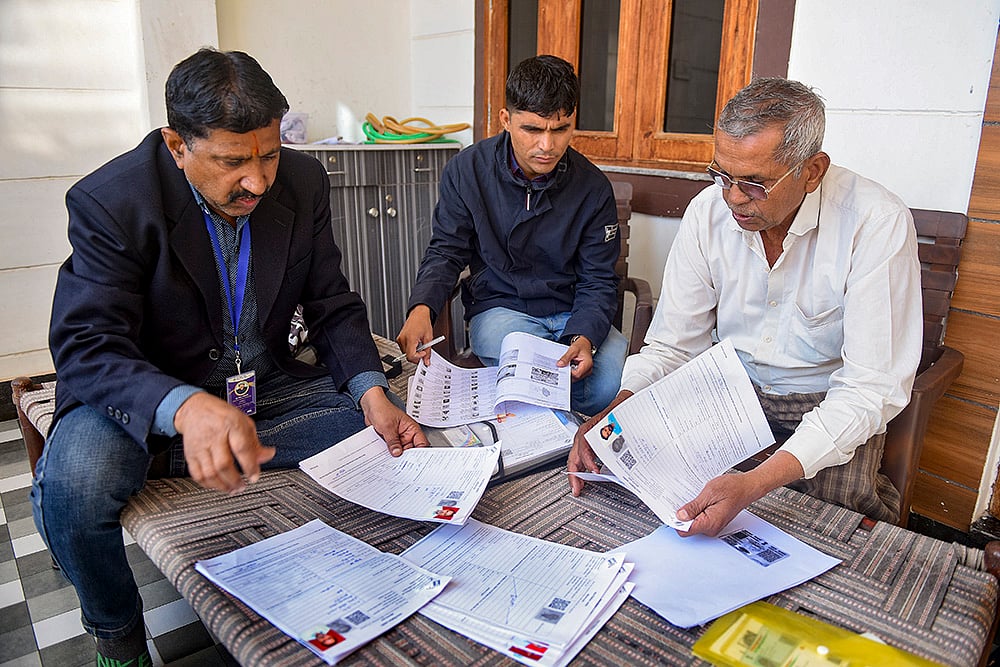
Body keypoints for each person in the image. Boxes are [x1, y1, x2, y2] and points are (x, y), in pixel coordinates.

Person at [31, 48, 427, 666]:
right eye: (232, 161)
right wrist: (185, 409)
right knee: (77, 483)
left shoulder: (302, 182)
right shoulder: (112, 200)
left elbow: (330, 301)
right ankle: (118, 637)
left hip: (261, 386)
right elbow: (86, 345)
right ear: (176, 144)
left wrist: (372, 392)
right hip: (152, 395)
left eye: (268, 154)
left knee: (379, 425)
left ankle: (185, 458)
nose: (258, 181)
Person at [568, 77, 922, 535]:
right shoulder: (708, 213)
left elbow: (869, 388)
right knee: (652, 503)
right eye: (721, 175)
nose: (733, 197)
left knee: (832, 531)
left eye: (754, 184)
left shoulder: (874, 223)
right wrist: (611, 417)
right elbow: (674, 347)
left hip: (827, 400)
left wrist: (754, 482)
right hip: (725, 393)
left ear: (812, 171)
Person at [396, 55, 628, 416]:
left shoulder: (593, 187)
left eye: (560, 129)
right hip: (502, 307)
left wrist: (584, 336)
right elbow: (446, 251)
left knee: (605, 384)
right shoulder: (467, 171)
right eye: (532, 129)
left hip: (572, 310)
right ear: (506, 119)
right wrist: (422, 307)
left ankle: (534, 413)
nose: (547, 146)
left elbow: (598, 279)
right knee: (533, 376)